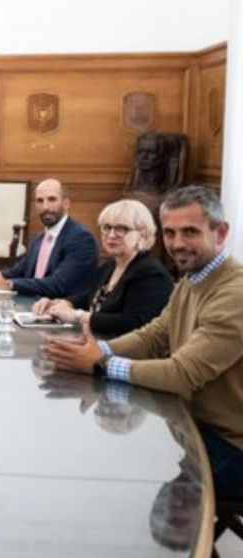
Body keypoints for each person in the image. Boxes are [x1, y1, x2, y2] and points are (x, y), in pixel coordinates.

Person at [44, 185, 243, 502]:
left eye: (190, 232)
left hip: (230, 445)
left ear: (221, 233)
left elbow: (182, 373)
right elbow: (153, 335)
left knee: (118, 484)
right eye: (170, 233)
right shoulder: (191, 280)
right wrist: (101, 350)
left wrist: (101, 364)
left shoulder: (235, 292)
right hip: (192, 425)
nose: (178, 244)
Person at [31, 199, 173, 338]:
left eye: (121, 229)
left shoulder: (151, 273)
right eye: (106, 227)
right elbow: (91, 298)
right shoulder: (110, 266)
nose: (111, 235)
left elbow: (134, 323)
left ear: (143, 234)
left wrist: (76, 316)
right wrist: (61, 303)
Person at [0, 178, 98, 298]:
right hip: (30, 307)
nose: (45, 207)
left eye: (52, 199)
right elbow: (18, 271)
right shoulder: (39, 239)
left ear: (66, 204)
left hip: (59, 311)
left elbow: (58, 284)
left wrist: (8, 284)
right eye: (40, 201)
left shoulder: (81, 238)